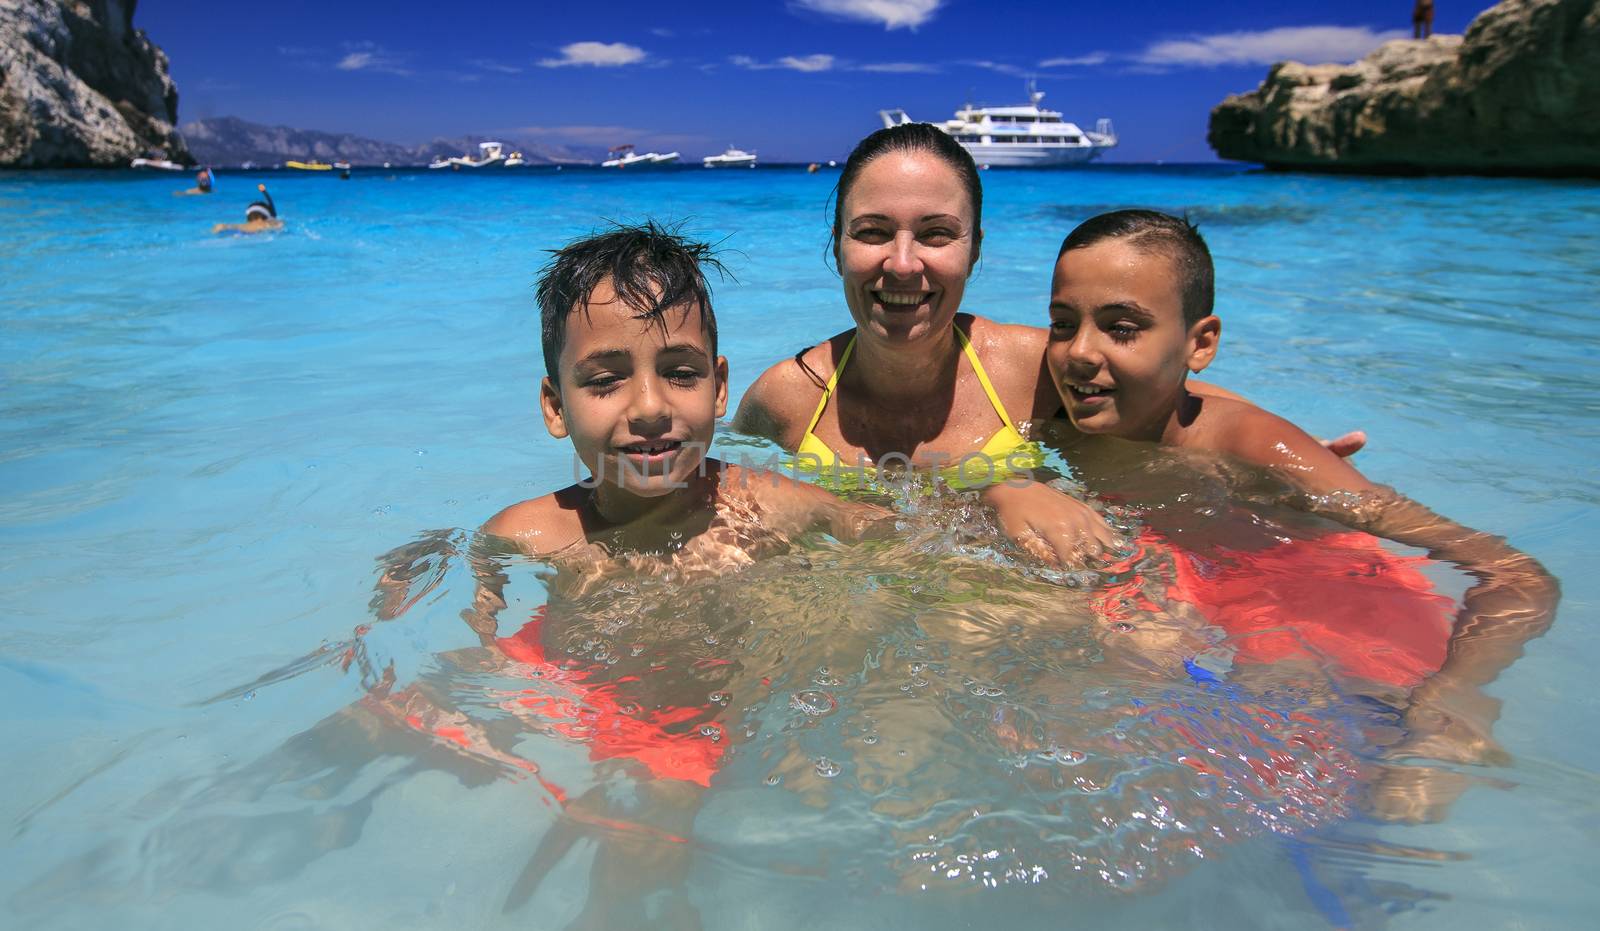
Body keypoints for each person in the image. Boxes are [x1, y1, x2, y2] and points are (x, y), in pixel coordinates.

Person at [1043, 208, 1559, 816]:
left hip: (1327, 608)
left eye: (1121, 328)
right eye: (1061, 323)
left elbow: (1519, 576)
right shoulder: (1068, 424)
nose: (1079, 352)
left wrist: (1457, 699)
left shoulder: (1254, 447)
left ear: (1200, 343)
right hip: (1203, 591)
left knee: (1346, 799)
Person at [733, 122, 1361, 568]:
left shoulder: (1037, 368)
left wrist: (1275, 457)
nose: (902, 264)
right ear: (836, 246)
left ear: (974, 250)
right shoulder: (784, 400)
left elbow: (1173, 393)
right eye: (872, 232)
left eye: (936, 234)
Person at [211, 183, 284, 234]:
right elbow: (279, 225)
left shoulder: (240, 226)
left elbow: (219, 226)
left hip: (238, 232)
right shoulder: (268, 224)